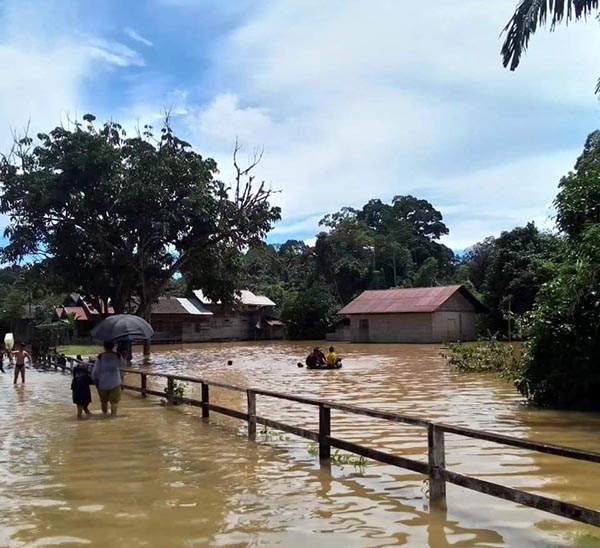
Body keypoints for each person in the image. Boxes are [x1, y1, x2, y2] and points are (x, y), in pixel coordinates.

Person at [92, 341, 124, 417]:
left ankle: (104, 415)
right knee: (114, 402)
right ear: (113, 346)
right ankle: (112, 418)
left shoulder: (100, 356)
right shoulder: (117, 355)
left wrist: (95, 380)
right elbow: (123, 365)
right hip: (115, 382)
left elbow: (96, 371)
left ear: (104, 347)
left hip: (103, 383)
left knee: (104, 402)